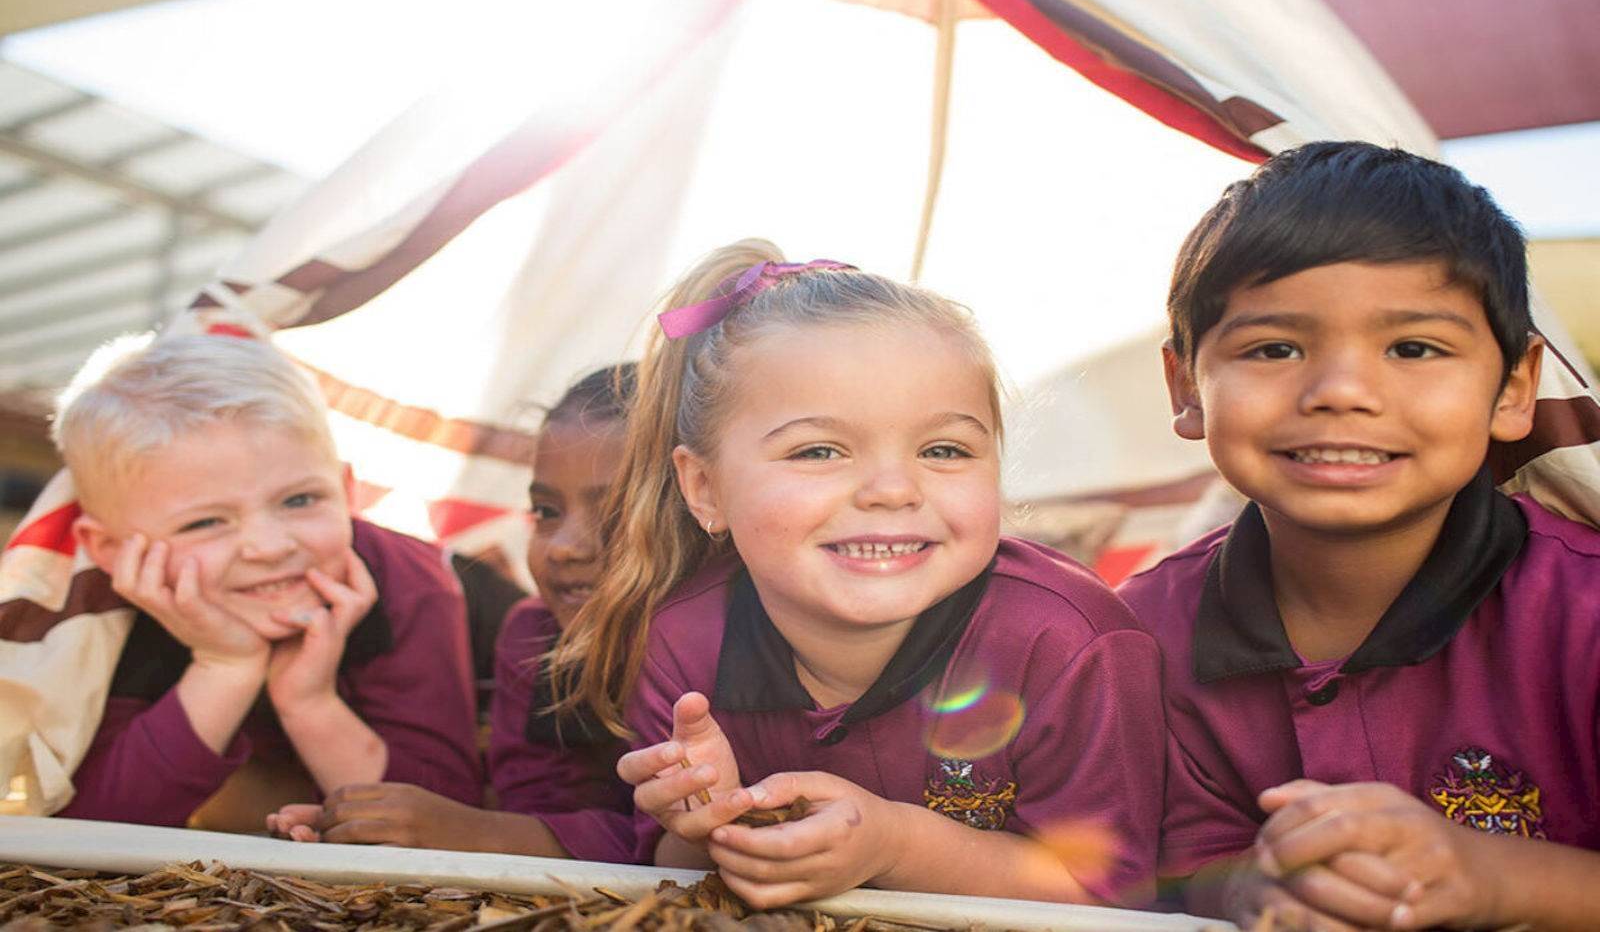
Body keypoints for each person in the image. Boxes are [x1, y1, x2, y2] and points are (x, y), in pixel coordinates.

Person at [552, 240, 1165, 908]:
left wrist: (895, 847)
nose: (892, 490)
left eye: (944, 449)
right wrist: (710, 822)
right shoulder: (681, 645)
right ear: (704, 488)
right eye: (819, 451)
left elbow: (1109, 899)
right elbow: (666, 872)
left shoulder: (1068, 644)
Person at [1122, 141, 1600, 929]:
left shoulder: (1583, 616)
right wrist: (1247, 890)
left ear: (1514, 387)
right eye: (1275, 348)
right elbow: (1164, 865)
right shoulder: (1137, 640)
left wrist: (1494, 879)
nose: (1342, 391)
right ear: (1187, 389)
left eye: (1413, 348)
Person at [51, 334, 481, 828]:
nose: (270, 547)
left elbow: (445, 820)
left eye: (300, 500)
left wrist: (309, 702)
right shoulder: (100, 614)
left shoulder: (413, 583)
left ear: (346, 491)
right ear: (110, 549)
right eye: (205, 523)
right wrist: (225, 666)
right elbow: (96, 827)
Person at [268, 365, 638, 861]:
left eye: (615, 512)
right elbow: (538, 815)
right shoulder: (535, 638)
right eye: (546, 512)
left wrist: (469, 832)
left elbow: (690, 849)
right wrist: (373, 823)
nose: (564, 548)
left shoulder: (730, 648)